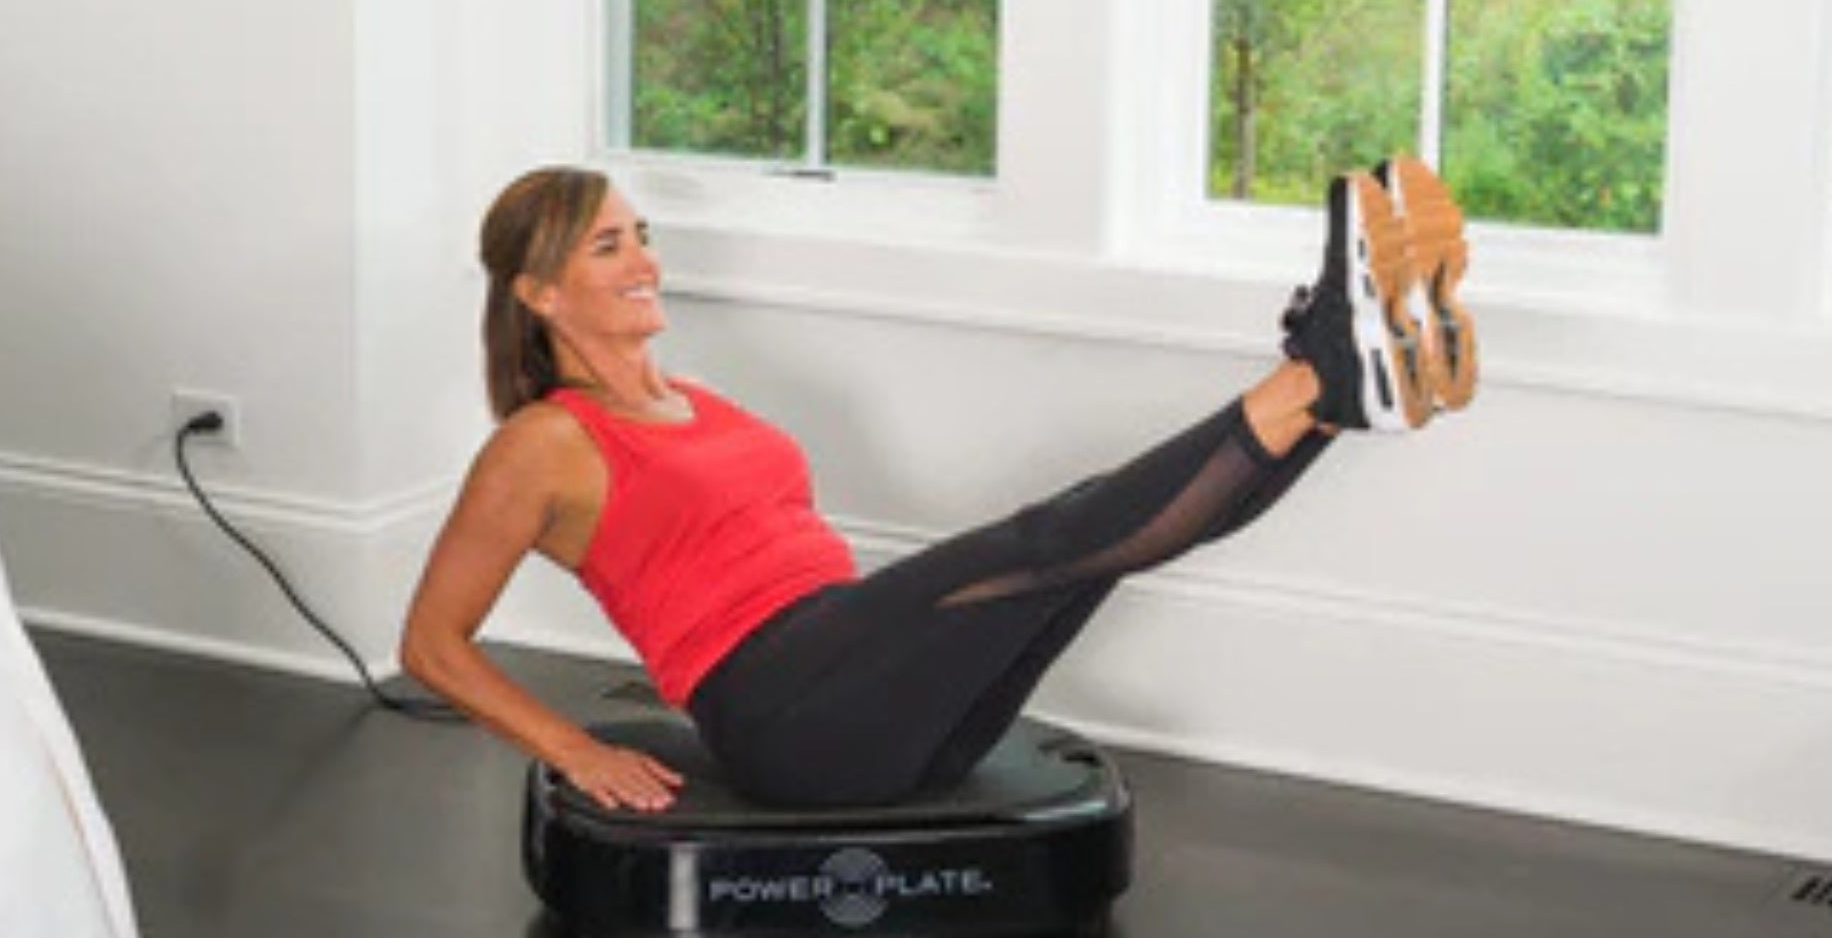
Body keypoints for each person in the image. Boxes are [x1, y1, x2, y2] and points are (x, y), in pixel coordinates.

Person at [400, 160, 1476, 815]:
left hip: (886, 705)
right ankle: (1323, 361)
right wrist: (576, 748)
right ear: (540, 292)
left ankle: (1340, 400)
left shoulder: (694, 397)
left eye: (642, 234)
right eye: (607, 245)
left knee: (1111, 548)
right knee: (1054, 535)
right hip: (784, 709)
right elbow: (430, 645)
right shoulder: (542, 442)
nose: (643, 257)